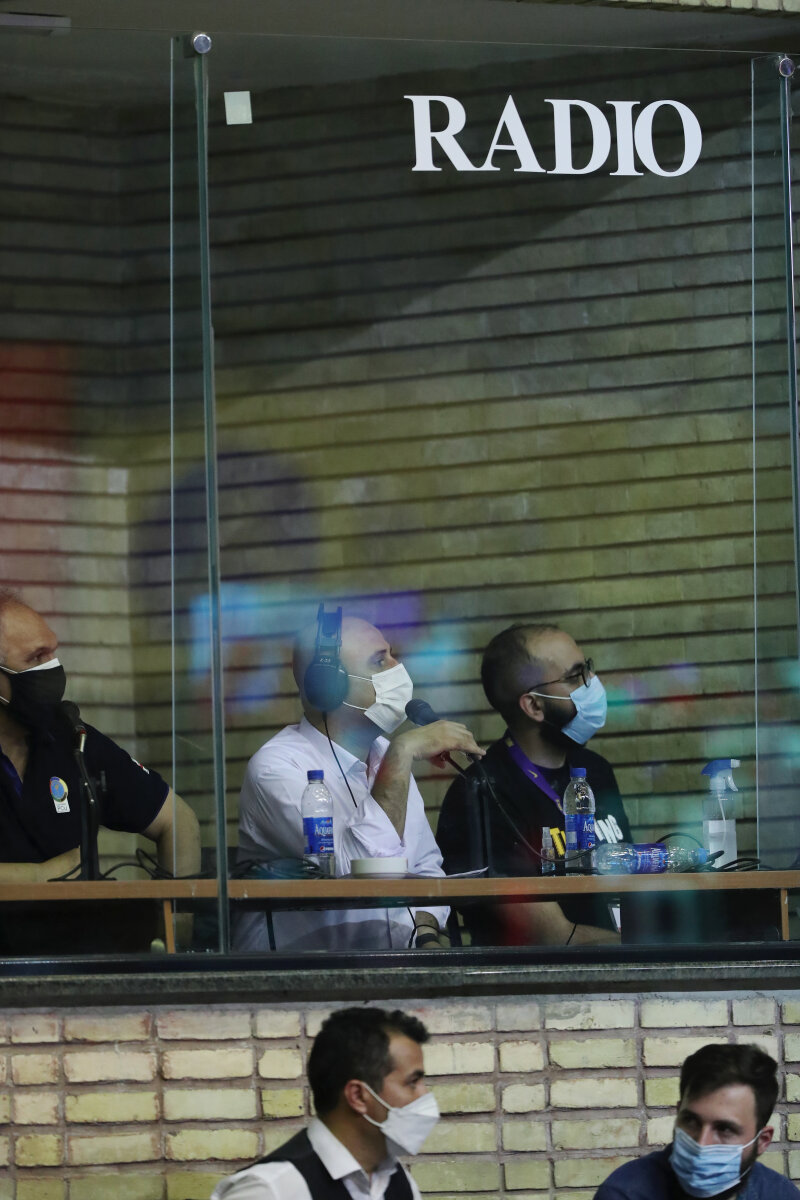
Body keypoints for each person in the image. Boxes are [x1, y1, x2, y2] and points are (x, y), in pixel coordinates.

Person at [235, 611, 484, 952]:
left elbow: (426, 868)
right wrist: (402, 752)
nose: (398, 667)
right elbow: (357, 874)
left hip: (399, 964)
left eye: (393, 655)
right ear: (329, 687)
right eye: (380, 661)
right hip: (307, 975)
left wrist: (425, 936)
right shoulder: (277, 768)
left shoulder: (383, 755)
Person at [0, 590, 200, 945]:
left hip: (81, 962)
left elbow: (177, 821)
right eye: (36, 658)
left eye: (53, 653)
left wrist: (174, 937)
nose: (53, 668)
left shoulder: (71, 738)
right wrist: (41, 876)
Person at [436, 622, 632, 946]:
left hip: (625, 967)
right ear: (534, 705)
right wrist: (653, 943)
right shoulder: (481, 794)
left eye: (588, 669)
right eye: (575, 676)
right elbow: (555, 938)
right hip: (541, 977)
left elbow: (629, 887)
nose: (592, 683)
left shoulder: (595, 771)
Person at [212, 1006, 437, 1200]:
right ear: (358, 1096)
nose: (424, 1095)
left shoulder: (399, 1183)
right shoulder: (270, 1190)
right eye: (413, 1082)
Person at [594, 1042, 798, 1199]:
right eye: (691, 1121)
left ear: (762, 1141)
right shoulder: (624, 1194)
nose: (701, 1144)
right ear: (678, 1114)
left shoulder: (782, 1195)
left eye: (725, 1129)